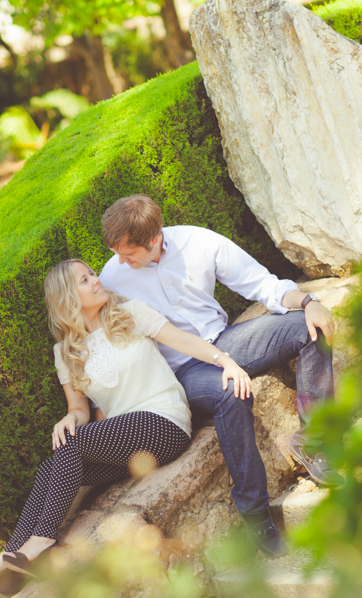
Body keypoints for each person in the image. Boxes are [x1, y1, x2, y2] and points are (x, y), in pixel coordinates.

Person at [0, 257, 252, 596]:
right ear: (67, 299)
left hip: (164, 423)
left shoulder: (130, 313)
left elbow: (183, 341)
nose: (95, 279)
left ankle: (42, 541)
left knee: (71, 446)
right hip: (127, 445)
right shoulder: (66, 352)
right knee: (50, 465)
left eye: (92, 274)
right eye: (84, 280)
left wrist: (226, 362)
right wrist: (69, 419)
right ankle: (9, 568)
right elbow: (79, 409)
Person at [99, 194, 338, 559]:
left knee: (307, 328)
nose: (121, 261)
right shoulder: (112, 278)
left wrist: (309, 302)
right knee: (231, 393)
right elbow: (97, 341)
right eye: (117, 253)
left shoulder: (199, 242)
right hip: (183, 372)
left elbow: (264, 285)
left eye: (128, 253)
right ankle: (255, 515)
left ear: (153, 238)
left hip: (226, 342)